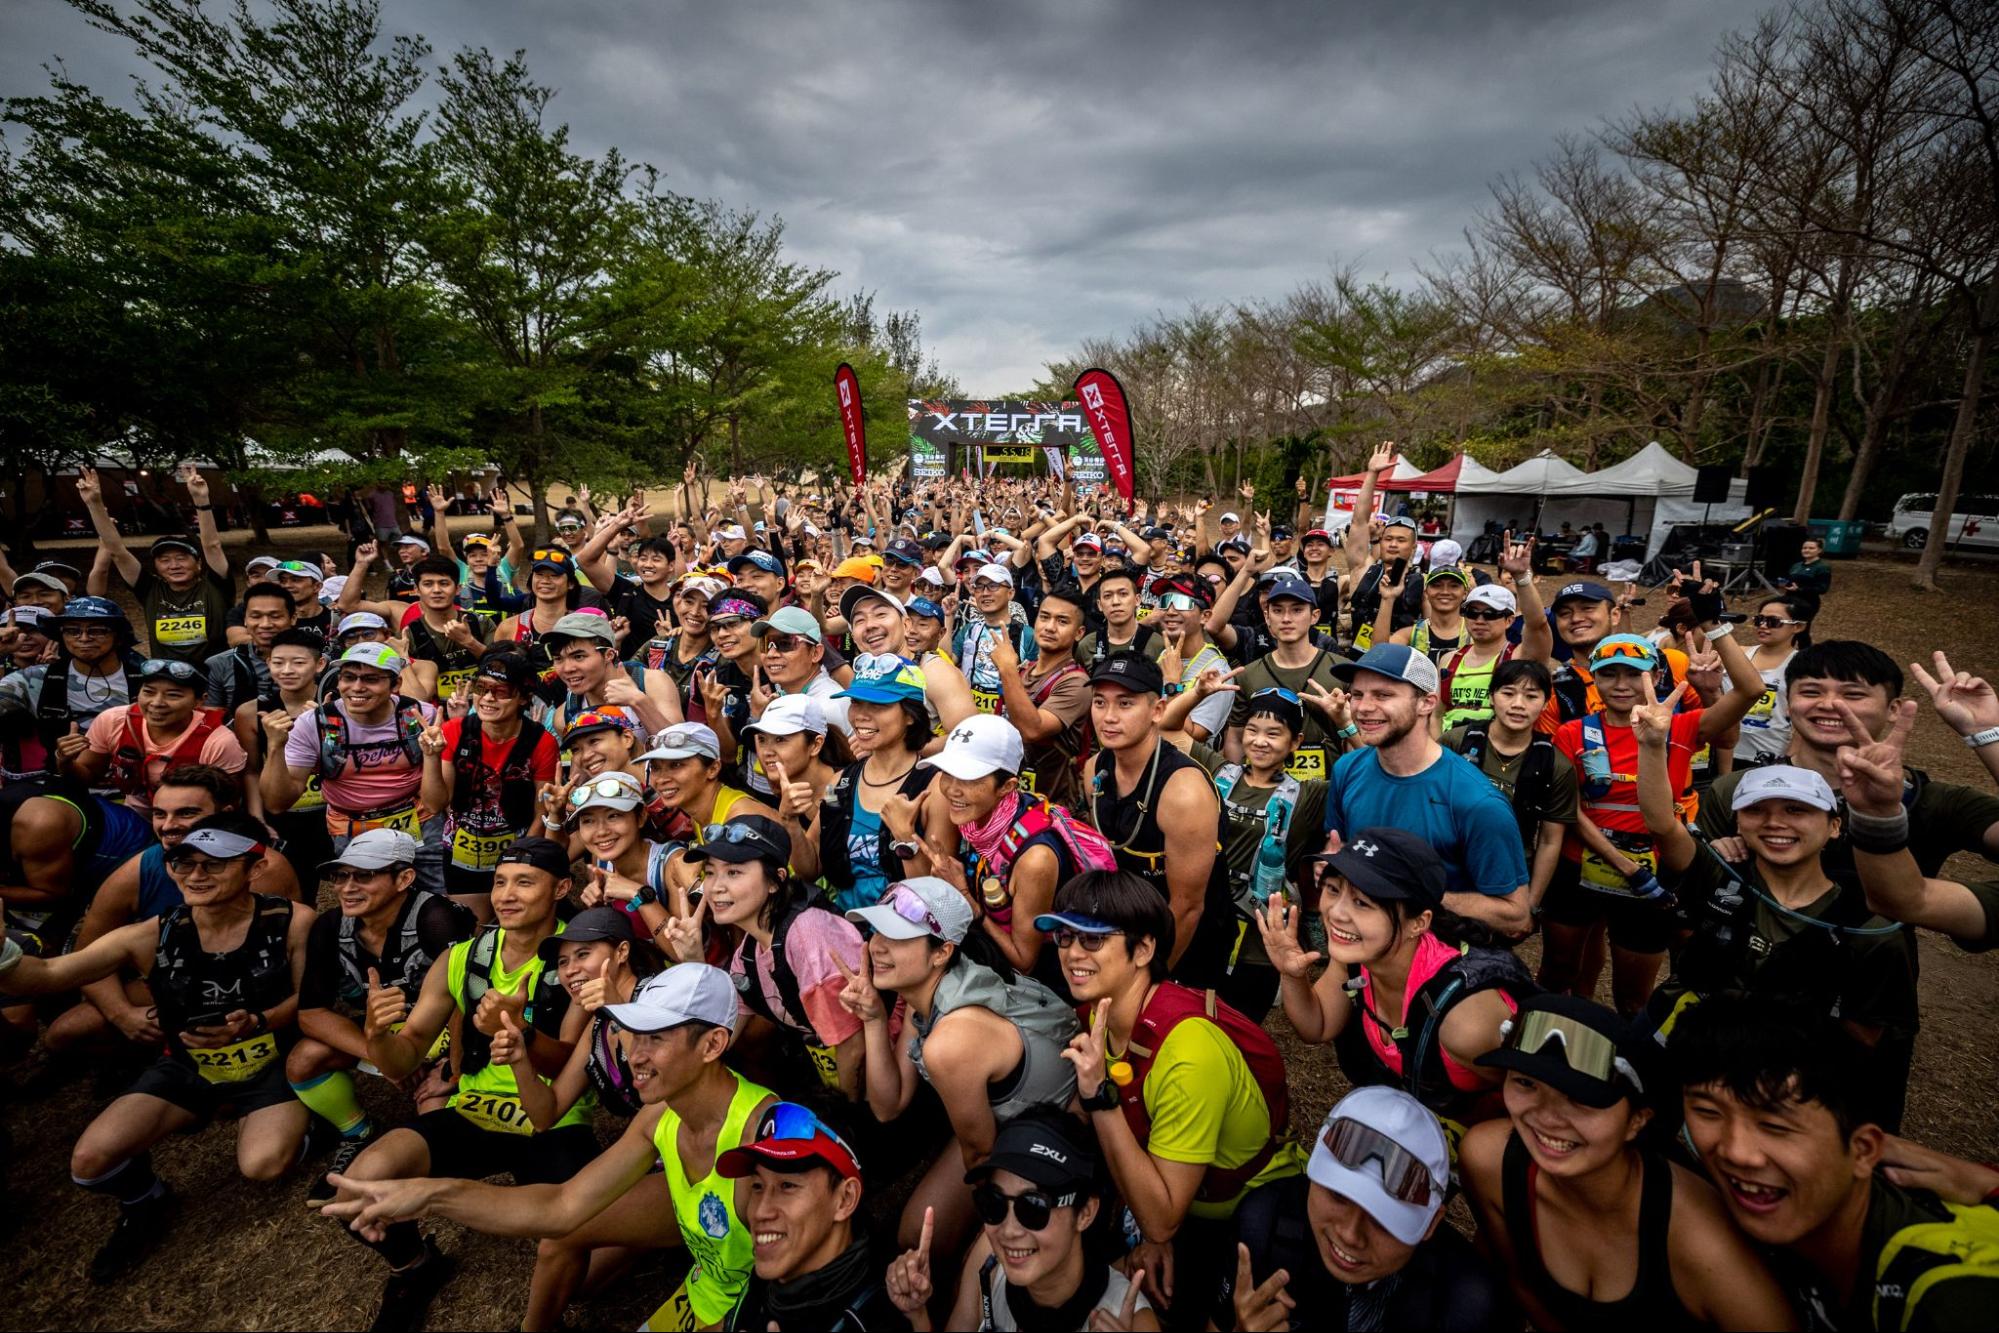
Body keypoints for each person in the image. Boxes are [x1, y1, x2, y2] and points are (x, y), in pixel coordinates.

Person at [323, 963, 777, 1333]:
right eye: (633, 1033)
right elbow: (563, 1206)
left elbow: (806, 1284)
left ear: (713, 1044)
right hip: (712, 1289)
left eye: (656, 1038)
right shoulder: (661, 1115)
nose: (634, 1055)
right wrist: (431, 1194)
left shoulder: (772, 1139)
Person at [0, 815, 315, 1282]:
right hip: (185, 1069)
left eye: (214, 866)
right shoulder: (152, 933)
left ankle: (310, 1122)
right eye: (184, 864)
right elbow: (47, 976)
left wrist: (260, 1022)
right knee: (89, 1163)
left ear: (253, 869)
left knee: (263, 1165)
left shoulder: (292, 922)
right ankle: (145, 1198)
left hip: (270, 1064)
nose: (195, 876)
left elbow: (312, 1002)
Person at [324, 836, 595, 1332]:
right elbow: (402, 1057)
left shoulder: (578, 959)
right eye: (499, 882)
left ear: (560, 889)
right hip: (473, 1110)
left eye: (525, 883)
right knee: (360, 1185)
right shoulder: (461, 958)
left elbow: (569, 1064)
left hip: (552, 1117)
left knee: (582, 1255)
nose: (506, 895)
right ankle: (414, 1266)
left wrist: (520, 1033)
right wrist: (376, 1035)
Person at [1635, 697, 1918, 1128]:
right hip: (1674, 1050)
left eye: (1796, 810)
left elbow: (1866, 1038)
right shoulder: (1720, 873)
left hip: (1775, 1092)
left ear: (1835, 825)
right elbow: (1661, 825)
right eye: (1756, 811)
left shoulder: (1869, 929)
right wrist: (1654, 746)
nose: (1775, 823)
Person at [1043, 869, 1305, 1332]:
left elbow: (1163, 1220)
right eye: (1064, 936)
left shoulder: (1188, 1055)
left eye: (1094, 939)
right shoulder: (1100, 1011)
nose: (1072, 953)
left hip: (1243, 1208)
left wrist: (1097, 1097)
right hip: (1179, 1190)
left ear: (1143, 950)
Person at [1458, 993, 1798, 1332]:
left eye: (1581, 1097)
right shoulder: (1489, 1161)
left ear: (1637, 1120)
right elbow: (1519, 1281)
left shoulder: (1707, 1248)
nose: (1546, 1117)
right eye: (1526, 1082)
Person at [1673, 994, 1999, 1331]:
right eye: (1707, 1112)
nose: (1734, 1151)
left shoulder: (1949, 1300)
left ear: (1863, 1150)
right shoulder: (1796, 1208)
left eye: (1776, 1127)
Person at [840, 877, 1081, 1266]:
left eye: (898, 936)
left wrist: (990, 1232)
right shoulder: (928, 995)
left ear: (941, 952)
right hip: (1004, 1123)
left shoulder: (950, 1041)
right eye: (876, 930)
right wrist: (874, 1018)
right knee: (913, 1240)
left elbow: (981, 1154)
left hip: (1059, 1125)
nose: (877, 947)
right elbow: (888, 1106)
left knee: (932, 1250)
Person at [1545, 626, 1767, 1015]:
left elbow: (1749, 691)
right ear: (1593, 678)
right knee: (1557, 971)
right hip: (1580, 865)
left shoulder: (1681, 727)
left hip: (1657, 870)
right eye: (1609, 673)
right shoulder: (1572, 732)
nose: (1622, 684)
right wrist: (1624, 865)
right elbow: (1570, 808)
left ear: (1658, 676)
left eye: (1635, 673)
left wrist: (1717, 627)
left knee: (1633, 996)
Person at [1263, 827, 1528, 1149]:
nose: (1336, 913)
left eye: (1362, 902)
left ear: (1418, 922)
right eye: (1333, 889)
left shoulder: (1465, 1019)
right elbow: (1317, 1024)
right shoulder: (1359, 957)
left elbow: (1536, 1100)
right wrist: (1291, 975)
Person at [43, 764, 300, 1058]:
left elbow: (293, 966)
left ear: (225, 814)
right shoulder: (138, 870)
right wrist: (122, 1015)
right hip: (171, 980)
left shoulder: (262, 869)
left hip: (251, 990)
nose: (168, 825)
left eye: (186, 813)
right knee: (65, 1032)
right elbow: (88, 954)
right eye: (159, 813)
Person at [1698, 642, 1999, 889]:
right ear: (1788, 705)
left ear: (1893, 709)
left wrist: (1987, 734)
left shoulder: (1931, 803)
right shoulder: (1735, 790)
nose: (1830, 704)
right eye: (1811, 692)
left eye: (1853, 694)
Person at [291, 829, 476, 1206]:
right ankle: (357, 1133)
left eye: (365, 875)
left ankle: (388, 1176)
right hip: (386, 1035)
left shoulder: (437, 918)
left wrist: (453, 1070)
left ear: (404, 878)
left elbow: (465, 1001)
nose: (347, 887)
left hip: (443, 1033)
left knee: (436, 1124)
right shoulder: (330, 926)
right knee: (303, 1060)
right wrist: (386, 1057)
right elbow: (311, 1014)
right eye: (341, 876)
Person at [1229, 1088, 1514, 1333]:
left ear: (1430, 1224)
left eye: (1383, 1219)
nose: (1351, 1235)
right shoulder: (1264, 1224)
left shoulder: (1467, 1306)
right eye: (1338, 1195)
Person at [1320, 645, 1532, 935]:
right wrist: (1335, 867)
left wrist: (1413, 896)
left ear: (1427, 703)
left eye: (1383, 695)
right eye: (1357, 694)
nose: (1363, 707)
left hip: (1437, 964)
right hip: (1363, 954)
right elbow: (1340, 847)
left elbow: (1515, 915)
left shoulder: (1477, 802)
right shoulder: (1348, 769)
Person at [888, 1108, 1159, 1332]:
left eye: (1033, 1208)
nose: (1008, 1230)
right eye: (993, 1203)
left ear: (1085, 1213)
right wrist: (919, 1317)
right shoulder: (988, 1259)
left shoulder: (1133, 1323)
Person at [660, 813, 867, 1099]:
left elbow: (853, 1047)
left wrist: (845, 1121)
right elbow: (723, 1035)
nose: (716, 886)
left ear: (776, 881)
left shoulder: (808, 936)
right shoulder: (750, 950)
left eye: (734, 872)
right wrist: (695, 961)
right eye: (710, 872)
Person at [1161, 679, 1330, 1019]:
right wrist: (1198, 693)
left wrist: (1343, 722)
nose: (1260, 741)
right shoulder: (1217, 771)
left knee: (1243, 1023)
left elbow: (1366, 768)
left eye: (1273, 733)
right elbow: (1165, 729)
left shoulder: (1308, 796)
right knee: (1190, 1014)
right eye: (1252, 730)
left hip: (1258, 941)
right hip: (1204, 923)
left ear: (1295, 742)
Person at [1084, 651, 1239, 991]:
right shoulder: (1095, 768)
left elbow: (1187, 907)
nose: (1108, 717)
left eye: (1125, 704)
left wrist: (1148, 978)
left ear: (1157, 711)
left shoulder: (1183, 792)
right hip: (1129, 922)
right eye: (1099, 702)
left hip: (1188, 941)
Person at [264, 642, 446, 894]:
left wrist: (433, 755)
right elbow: (277, 802)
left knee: (434, 897)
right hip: (351, 826)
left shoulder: (418, 717)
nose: (357, 687)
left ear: (395, 685)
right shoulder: (315, 724)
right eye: (348, 677)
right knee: (365, 904)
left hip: (419, 822)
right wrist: (275, 747)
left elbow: (438, 798)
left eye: (371, 679)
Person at [714, 1102, 906, 1331]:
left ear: (845, 1199)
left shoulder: (880, 1316)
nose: (760, 1211)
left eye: (787, 1186)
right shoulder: (773, 1279)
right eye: (757, 1186)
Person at [798, 656, 941, 912]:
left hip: (904, 936)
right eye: (856, 702)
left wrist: (905, 838)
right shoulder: (839, 783)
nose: (861, 715)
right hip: (844, 931)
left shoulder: (934, 788)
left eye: (877, 705)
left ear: (910, 715)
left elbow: (937, 897)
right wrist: (788, 822)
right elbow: (810, 867)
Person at [1443, 659, 1578, 913]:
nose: (1518, 704)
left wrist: (1530, 904)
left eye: (1531, 696)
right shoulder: (1455, 743)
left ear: (1546, 702)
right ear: (1492, 697)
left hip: (1509, 876)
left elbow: (1550, 840)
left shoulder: (1555, 765)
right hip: (1449, 867)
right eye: (1508, 693)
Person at [433, 651, 558, 912]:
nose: (488, 698)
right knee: (468, 925)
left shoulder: (541, 741)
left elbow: (541, 813)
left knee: (513, 918)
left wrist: (517, 860)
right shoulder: (454, 730)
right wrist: (430, 758)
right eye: (481, 688)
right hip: (461, 848)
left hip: (516, 843)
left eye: (501, 691)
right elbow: (435, 804)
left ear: (524, 698)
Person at [74, 464, 234, 666]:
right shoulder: (150, 589)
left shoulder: (216, 585)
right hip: (168, 680)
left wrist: (201, 500)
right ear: (156, 566)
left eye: (182, 558)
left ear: (199, 564)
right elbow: (117, 552)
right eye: (164, 560)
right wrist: (94, 504)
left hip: (216, 679)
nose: (174, 565)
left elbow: (212, 545)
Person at [65, 656, 248, 814]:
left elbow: (228, 802)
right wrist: (65, 761)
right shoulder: (114, 721)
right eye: (149, 692)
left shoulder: (219, 741)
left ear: (199, 701)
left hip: (193, 825)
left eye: (173, 695)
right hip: (132, 816)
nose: (157, 703)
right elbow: (88, 776)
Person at [0, 595, 145, 783]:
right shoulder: (34, 679)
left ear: (118, 637)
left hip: (140, 789)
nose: (84, 638)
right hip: (64, 787)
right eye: (72, 631)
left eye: (97, 630)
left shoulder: (149, 679)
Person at [1225, 573, 1348, 782]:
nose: (1286, 619)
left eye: (1297, 610)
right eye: (1277, 610)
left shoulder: (1341, 671)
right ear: (1266, 617)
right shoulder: (1250, 674)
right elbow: (1236, 737)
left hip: (1329, 788)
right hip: (1265, 791)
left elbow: (1359, 739)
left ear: (1315, 616)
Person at [988, 582, 1093, 808]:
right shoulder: (1024, 671)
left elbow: (1033, 729)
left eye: (1062, 621)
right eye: (1044, 617)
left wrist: (1006, 669)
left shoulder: (1077, 682)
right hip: (1010, 802)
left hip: (1051, 814)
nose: (1050, 627)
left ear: (1079, 633)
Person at [542, 610, 681, 743]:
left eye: (578, 657)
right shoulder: (565, 716)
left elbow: (682, 748)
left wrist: (637, 700)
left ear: (609, 655)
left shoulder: (652, 683)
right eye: (558, 659)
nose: (567, 669)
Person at [1731, 593, 1813, 765]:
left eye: (1773, 622)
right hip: (1725, 750)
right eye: (1759, 619)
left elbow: (1803, 719)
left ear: (1797, 627)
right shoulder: (1737, 654)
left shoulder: (1802, 666)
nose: (1762, 626)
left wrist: (1789, 758)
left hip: (1769, 756)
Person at [203, 581, 297, 715]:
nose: (265, 624)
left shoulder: (313, 661)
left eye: (275, 616)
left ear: (293, 618)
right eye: (256, 616)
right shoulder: (220, 664)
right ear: (245, 620)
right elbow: (211, 719)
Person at [1076, 563, 1162, 667]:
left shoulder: (1157, 644)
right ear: (1099, 605)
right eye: (1108, 596)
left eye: (1123, 594)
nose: (1115, 602)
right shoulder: (1086, 646)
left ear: (1137, 600)